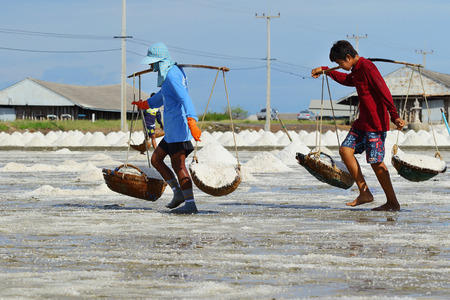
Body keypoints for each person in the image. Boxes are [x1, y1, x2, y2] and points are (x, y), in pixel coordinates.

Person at [311, 40, 405, 211]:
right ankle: (364, 192)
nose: (339, 66)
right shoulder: (356, 69)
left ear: (348, 57)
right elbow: (348, 80)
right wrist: (326, 71)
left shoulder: (368, 67)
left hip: (375, 124)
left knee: (377, 163)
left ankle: (392, 202)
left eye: (340, 63)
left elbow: (383, 91)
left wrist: (395, 116)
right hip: (362, 123)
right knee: (345, 150)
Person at [131, 43, 202, 214]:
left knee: (179, 167)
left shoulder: (172, 75)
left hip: (179, 129)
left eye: (152, 62)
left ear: (159, 61)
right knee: (156, 160)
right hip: (171, 131)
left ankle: (190, 203)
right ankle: (178, 193)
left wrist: (192, 121)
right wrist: (145, 104)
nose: (150, 66)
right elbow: (164, 96)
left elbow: (185, 98)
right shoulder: (168, 74)